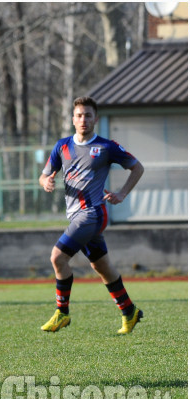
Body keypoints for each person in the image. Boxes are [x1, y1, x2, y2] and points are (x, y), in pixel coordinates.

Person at [39, 96, 145, 334]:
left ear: (95, 119)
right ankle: (129, 311)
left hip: (92, 214)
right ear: (72, 119)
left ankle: (62, 313)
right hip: (75, 216)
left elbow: (137, 167)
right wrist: (46, 181)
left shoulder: (107, 147)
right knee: (102, 266)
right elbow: (44, 175)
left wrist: (122, 193)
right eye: (79, 115)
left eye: (88, 115)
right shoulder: (62, 146)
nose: (83, 119)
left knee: (57, 258)